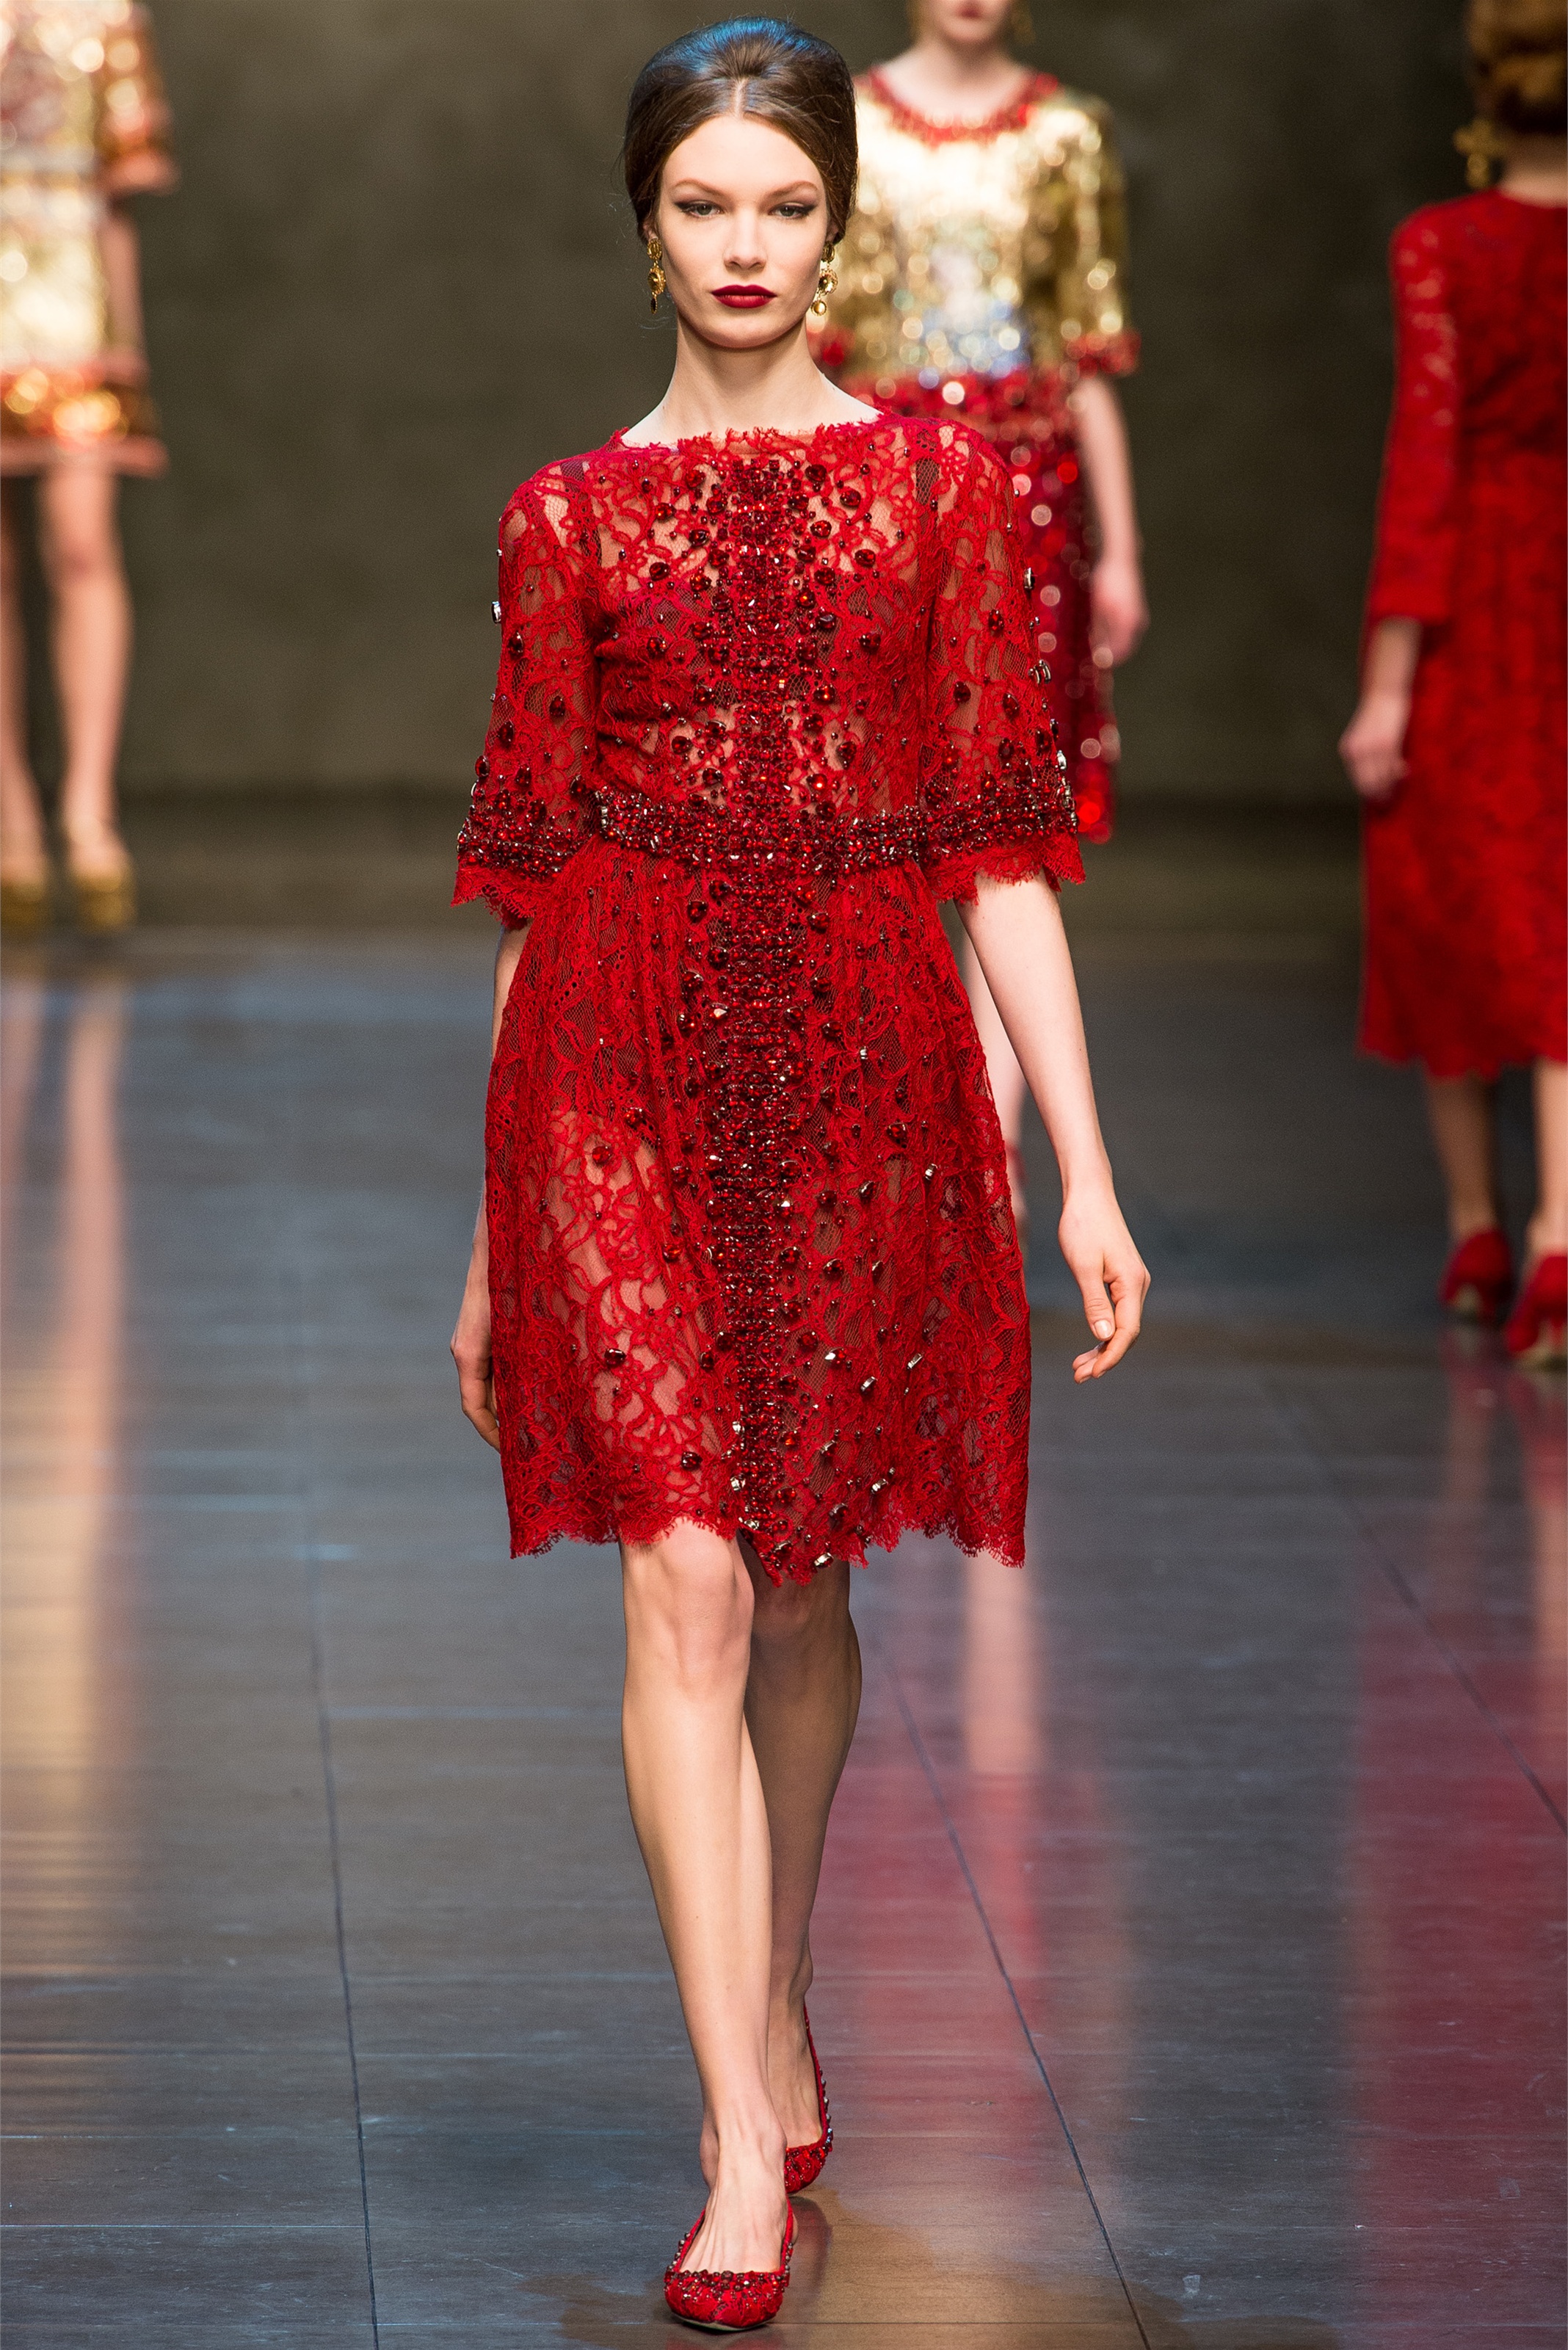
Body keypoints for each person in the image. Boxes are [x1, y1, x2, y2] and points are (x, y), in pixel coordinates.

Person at [449, 18, 1147, 2329]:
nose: (743, 245)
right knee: (681, 1579)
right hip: (612, 1064)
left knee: (802, 1581)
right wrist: (491, 1241)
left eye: (783, 204)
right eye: (701, 204)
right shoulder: (564, 515)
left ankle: (776, 1977)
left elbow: (1004, 849)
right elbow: (530, 876)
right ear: (642, 227)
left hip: (861, 1059)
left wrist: (1086, 1171)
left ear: (836, 225)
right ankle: (736, 2132)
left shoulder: (945, 493)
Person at [810, 0, 1148, 1222]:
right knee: (878, 793)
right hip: (881, 484)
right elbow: (821, 344)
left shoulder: (1066, 134)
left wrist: (1123, 550)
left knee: (1004, 807)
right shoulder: (847, 123)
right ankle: (897, 1118)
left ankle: (989, 1146)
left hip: (1031, 493)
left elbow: (1084, 352)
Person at [1340, 0, 1566, 1368]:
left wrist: (1386, 683)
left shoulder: (1441, 246)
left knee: (1446, 907)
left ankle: (1483, 1229)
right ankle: (1560, 1235)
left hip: (1478, 607)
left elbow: (1424, 467)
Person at [0, 0, 177, 936]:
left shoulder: (103, 13)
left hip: (71, 307)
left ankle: (88, 810)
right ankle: (12, 818)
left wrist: (127, 348)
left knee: (79, 544)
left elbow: (116, 197)